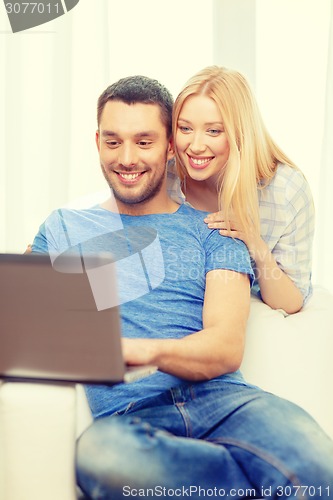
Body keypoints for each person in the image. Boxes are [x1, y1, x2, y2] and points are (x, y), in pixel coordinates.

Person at [31, 75, 333, 499]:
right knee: (106, 461)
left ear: (168, 148)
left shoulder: (216, 229)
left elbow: (225, 346)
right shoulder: (62, 229)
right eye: (113, 141)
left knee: (318, 467)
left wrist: (141, 350)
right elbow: (21, 326)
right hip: (129, 415)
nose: (128, 158)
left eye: (144, 141)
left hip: (226, 402)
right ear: (97, 141)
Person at [169, 65, 315, 314]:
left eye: (213, 131)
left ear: (240, 133)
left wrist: (253, 240)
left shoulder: (286, 190)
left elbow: (291, 301)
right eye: (185, 128)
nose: (195, 146)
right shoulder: (167, 177)